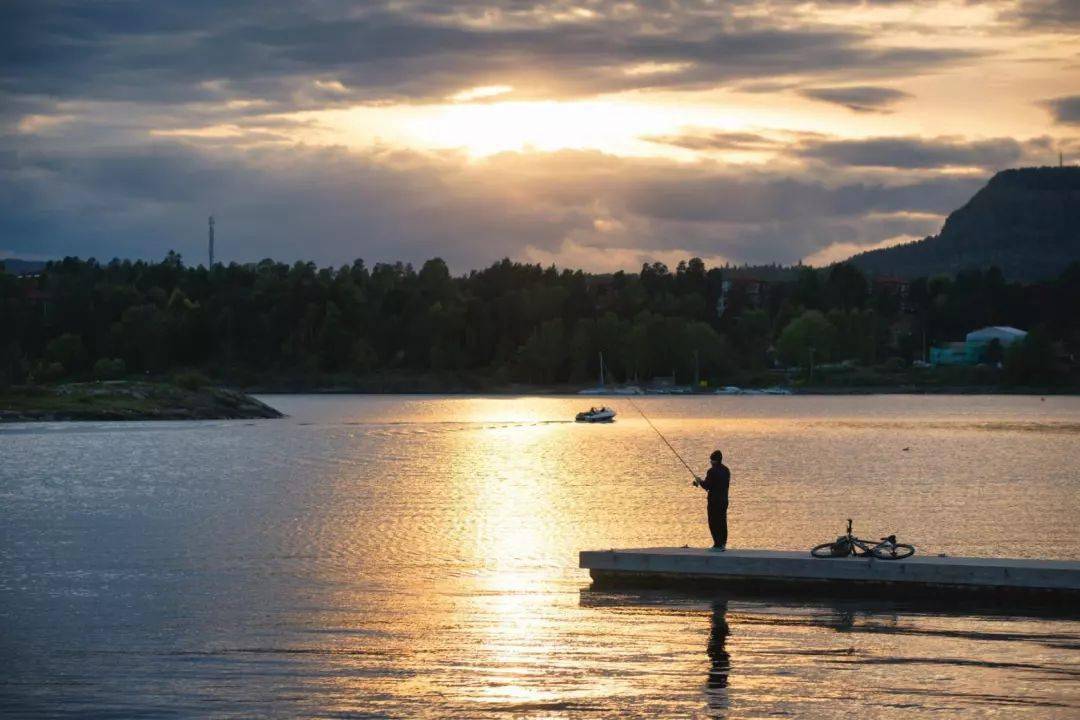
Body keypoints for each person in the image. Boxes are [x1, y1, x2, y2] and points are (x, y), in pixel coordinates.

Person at [693, 449, 730, 551]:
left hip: (714, 501)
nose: (710, 462)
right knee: (722, 521)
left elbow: (707, 486)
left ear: (714, 461)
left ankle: (717, 544)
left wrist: (699, 481)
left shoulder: (711, 471)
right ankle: (722, 543)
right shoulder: (726, 470)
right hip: (724, 500)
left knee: (713, 522)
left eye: (711, 460)